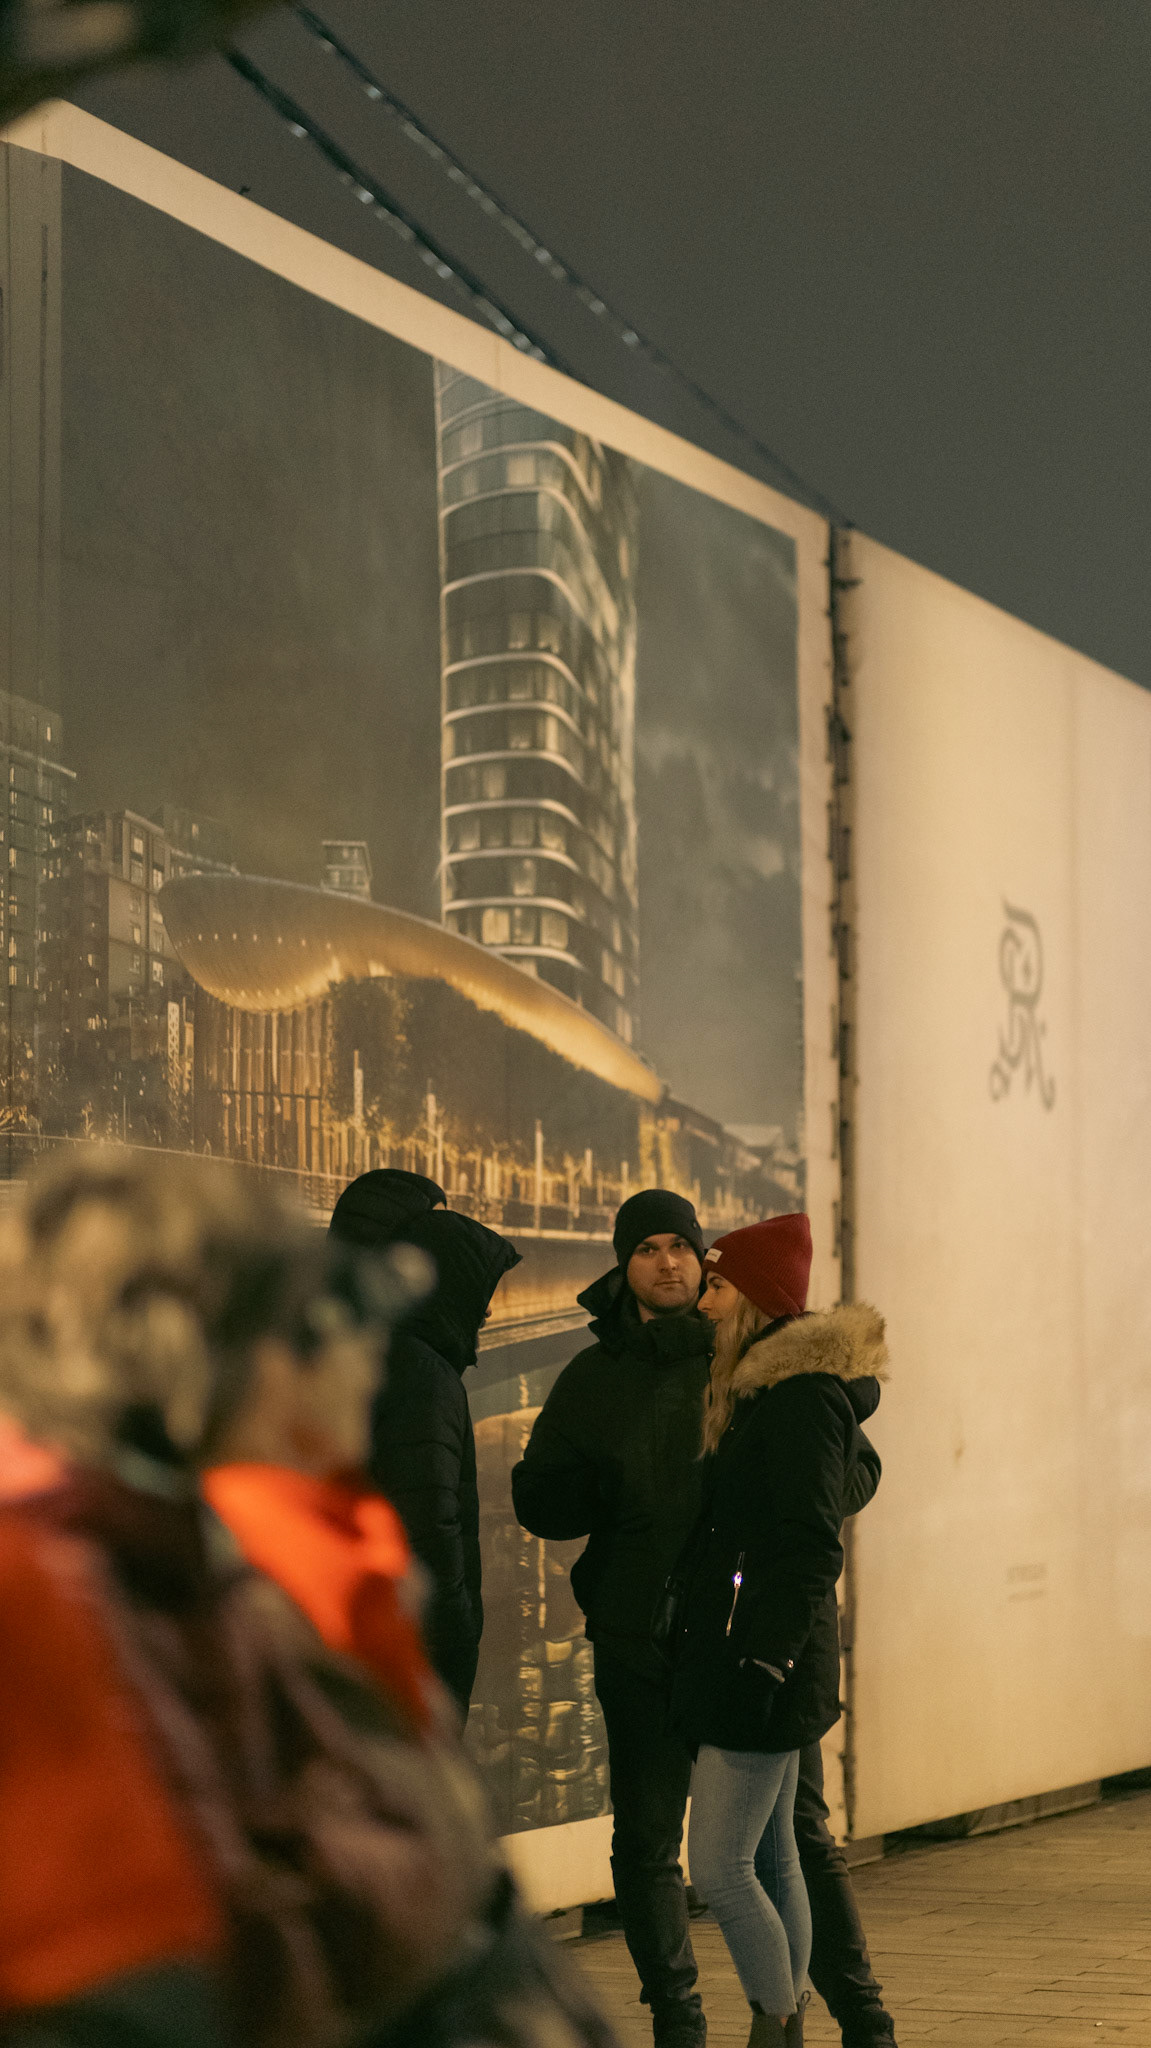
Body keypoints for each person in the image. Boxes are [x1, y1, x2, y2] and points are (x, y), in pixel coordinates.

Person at [0, 1149, 618, 2048]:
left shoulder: (216, 1582)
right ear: (211, 1360)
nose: (355, 1355)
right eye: (311, 1324)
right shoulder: (87, 1608)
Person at [670, 1216, 890, 2048]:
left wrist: (764, 1659)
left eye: (717, 1286)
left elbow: (807, 1546)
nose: (703, 1301)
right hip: (760, 1653)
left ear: (757, 1300)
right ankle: (784, 2024)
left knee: (719, 1868)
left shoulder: (798, 1402)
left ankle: (773, 2023)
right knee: (771, 1859)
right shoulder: (769, 1393)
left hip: (759, 1662)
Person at [512, 1189, 713, 2048]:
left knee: (786, 1841)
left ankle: (817, 2014)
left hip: (743, 1637)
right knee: (646, 1840)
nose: (667, 1262)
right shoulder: (594, 1376)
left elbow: (849, 1472)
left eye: (680, 1246)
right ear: (623, 1265)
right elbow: (539, 1498)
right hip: (637, 1634)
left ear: (702, 1258)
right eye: (647, 1249)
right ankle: (677, 2018)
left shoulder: (747, 1358)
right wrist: (603, 1487)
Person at [330, 1181, 520, 1718]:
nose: (488, 1314)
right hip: (412, 1657)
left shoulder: (360, 1355)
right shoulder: (424, 1379)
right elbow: (430, 1531)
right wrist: (457, 1647)